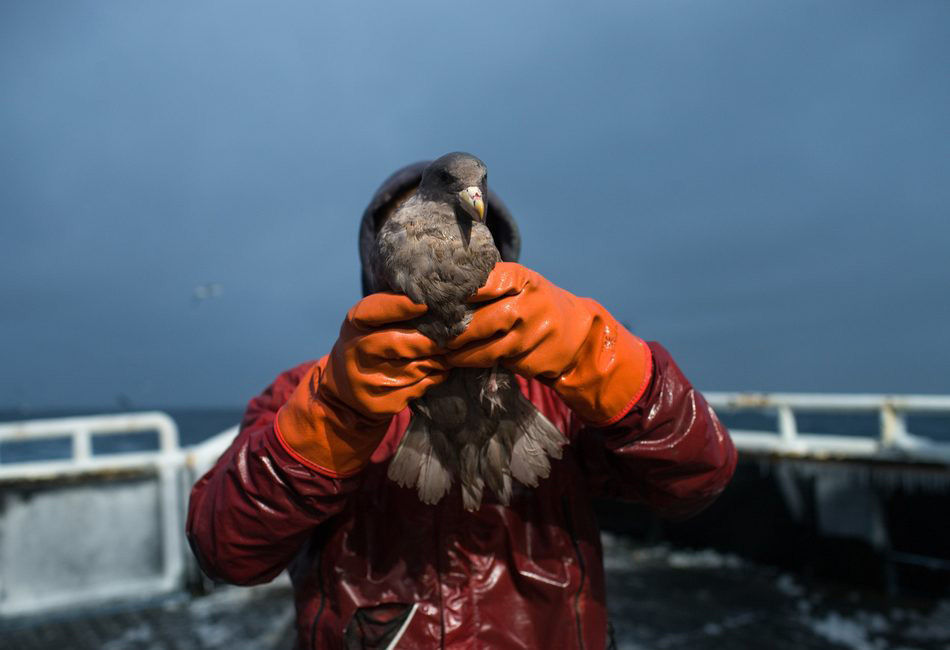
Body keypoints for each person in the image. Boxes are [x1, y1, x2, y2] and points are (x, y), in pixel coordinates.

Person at [186, 161, 738, 649]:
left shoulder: (557, 389)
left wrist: (604, 358)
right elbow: (225, 551)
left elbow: (699, 478)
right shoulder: (308, 390)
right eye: (416, 233)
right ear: (375, 268)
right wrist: (335, 414)